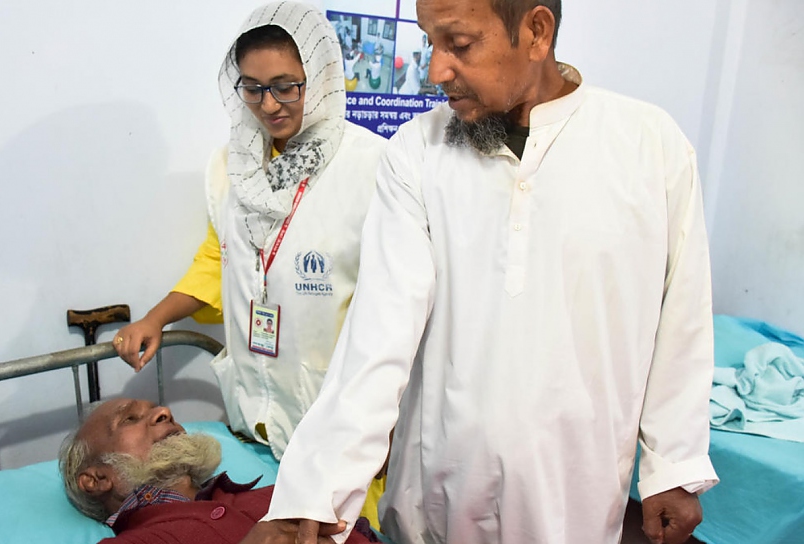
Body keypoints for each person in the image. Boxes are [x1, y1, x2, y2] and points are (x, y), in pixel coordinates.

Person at [243, 1, 719, 544]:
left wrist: (673, 465)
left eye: (460, 45)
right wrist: (315, 490)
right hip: (435, 497)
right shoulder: (416, 153)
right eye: (430, 43)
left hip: (575, 498)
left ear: (536, 32)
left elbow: (682, 314)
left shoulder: (648, 146)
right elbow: (377, 334)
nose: (435, 71)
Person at [112, 0, 388, 529]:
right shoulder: (230, 165)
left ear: (324, 77)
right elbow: (220, 258)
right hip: (255, 413)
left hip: (336, 417)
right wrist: (156, 318)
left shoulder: (370, 167)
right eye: (253, 87)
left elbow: (396, 305)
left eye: (288, 85)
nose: (270, 104)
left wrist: (390, 422)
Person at [58, 398, 381, 543]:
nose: (163, 412)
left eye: (157, 408)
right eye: (130, 419)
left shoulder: (280, 493)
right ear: (97, 479)